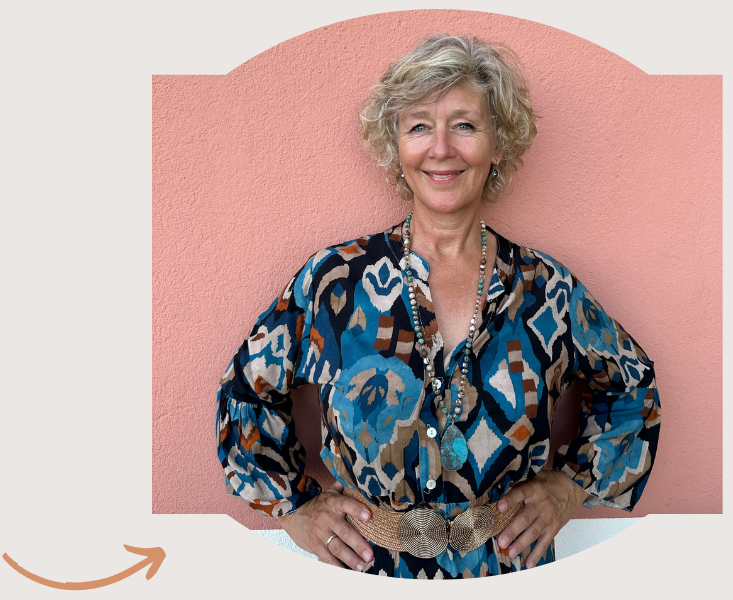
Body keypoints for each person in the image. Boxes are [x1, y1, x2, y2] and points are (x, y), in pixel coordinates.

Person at [216, 35, 661, 578]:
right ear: (396, 146)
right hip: (364, 571)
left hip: (508, 570)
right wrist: (295, 509)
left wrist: (569, 487)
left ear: (498, 144)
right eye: (419, 126)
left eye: (465, 125)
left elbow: (633, 389)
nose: (441, 148)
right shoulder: (333, 282)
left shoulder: (548, 291)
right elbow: (244, 393)